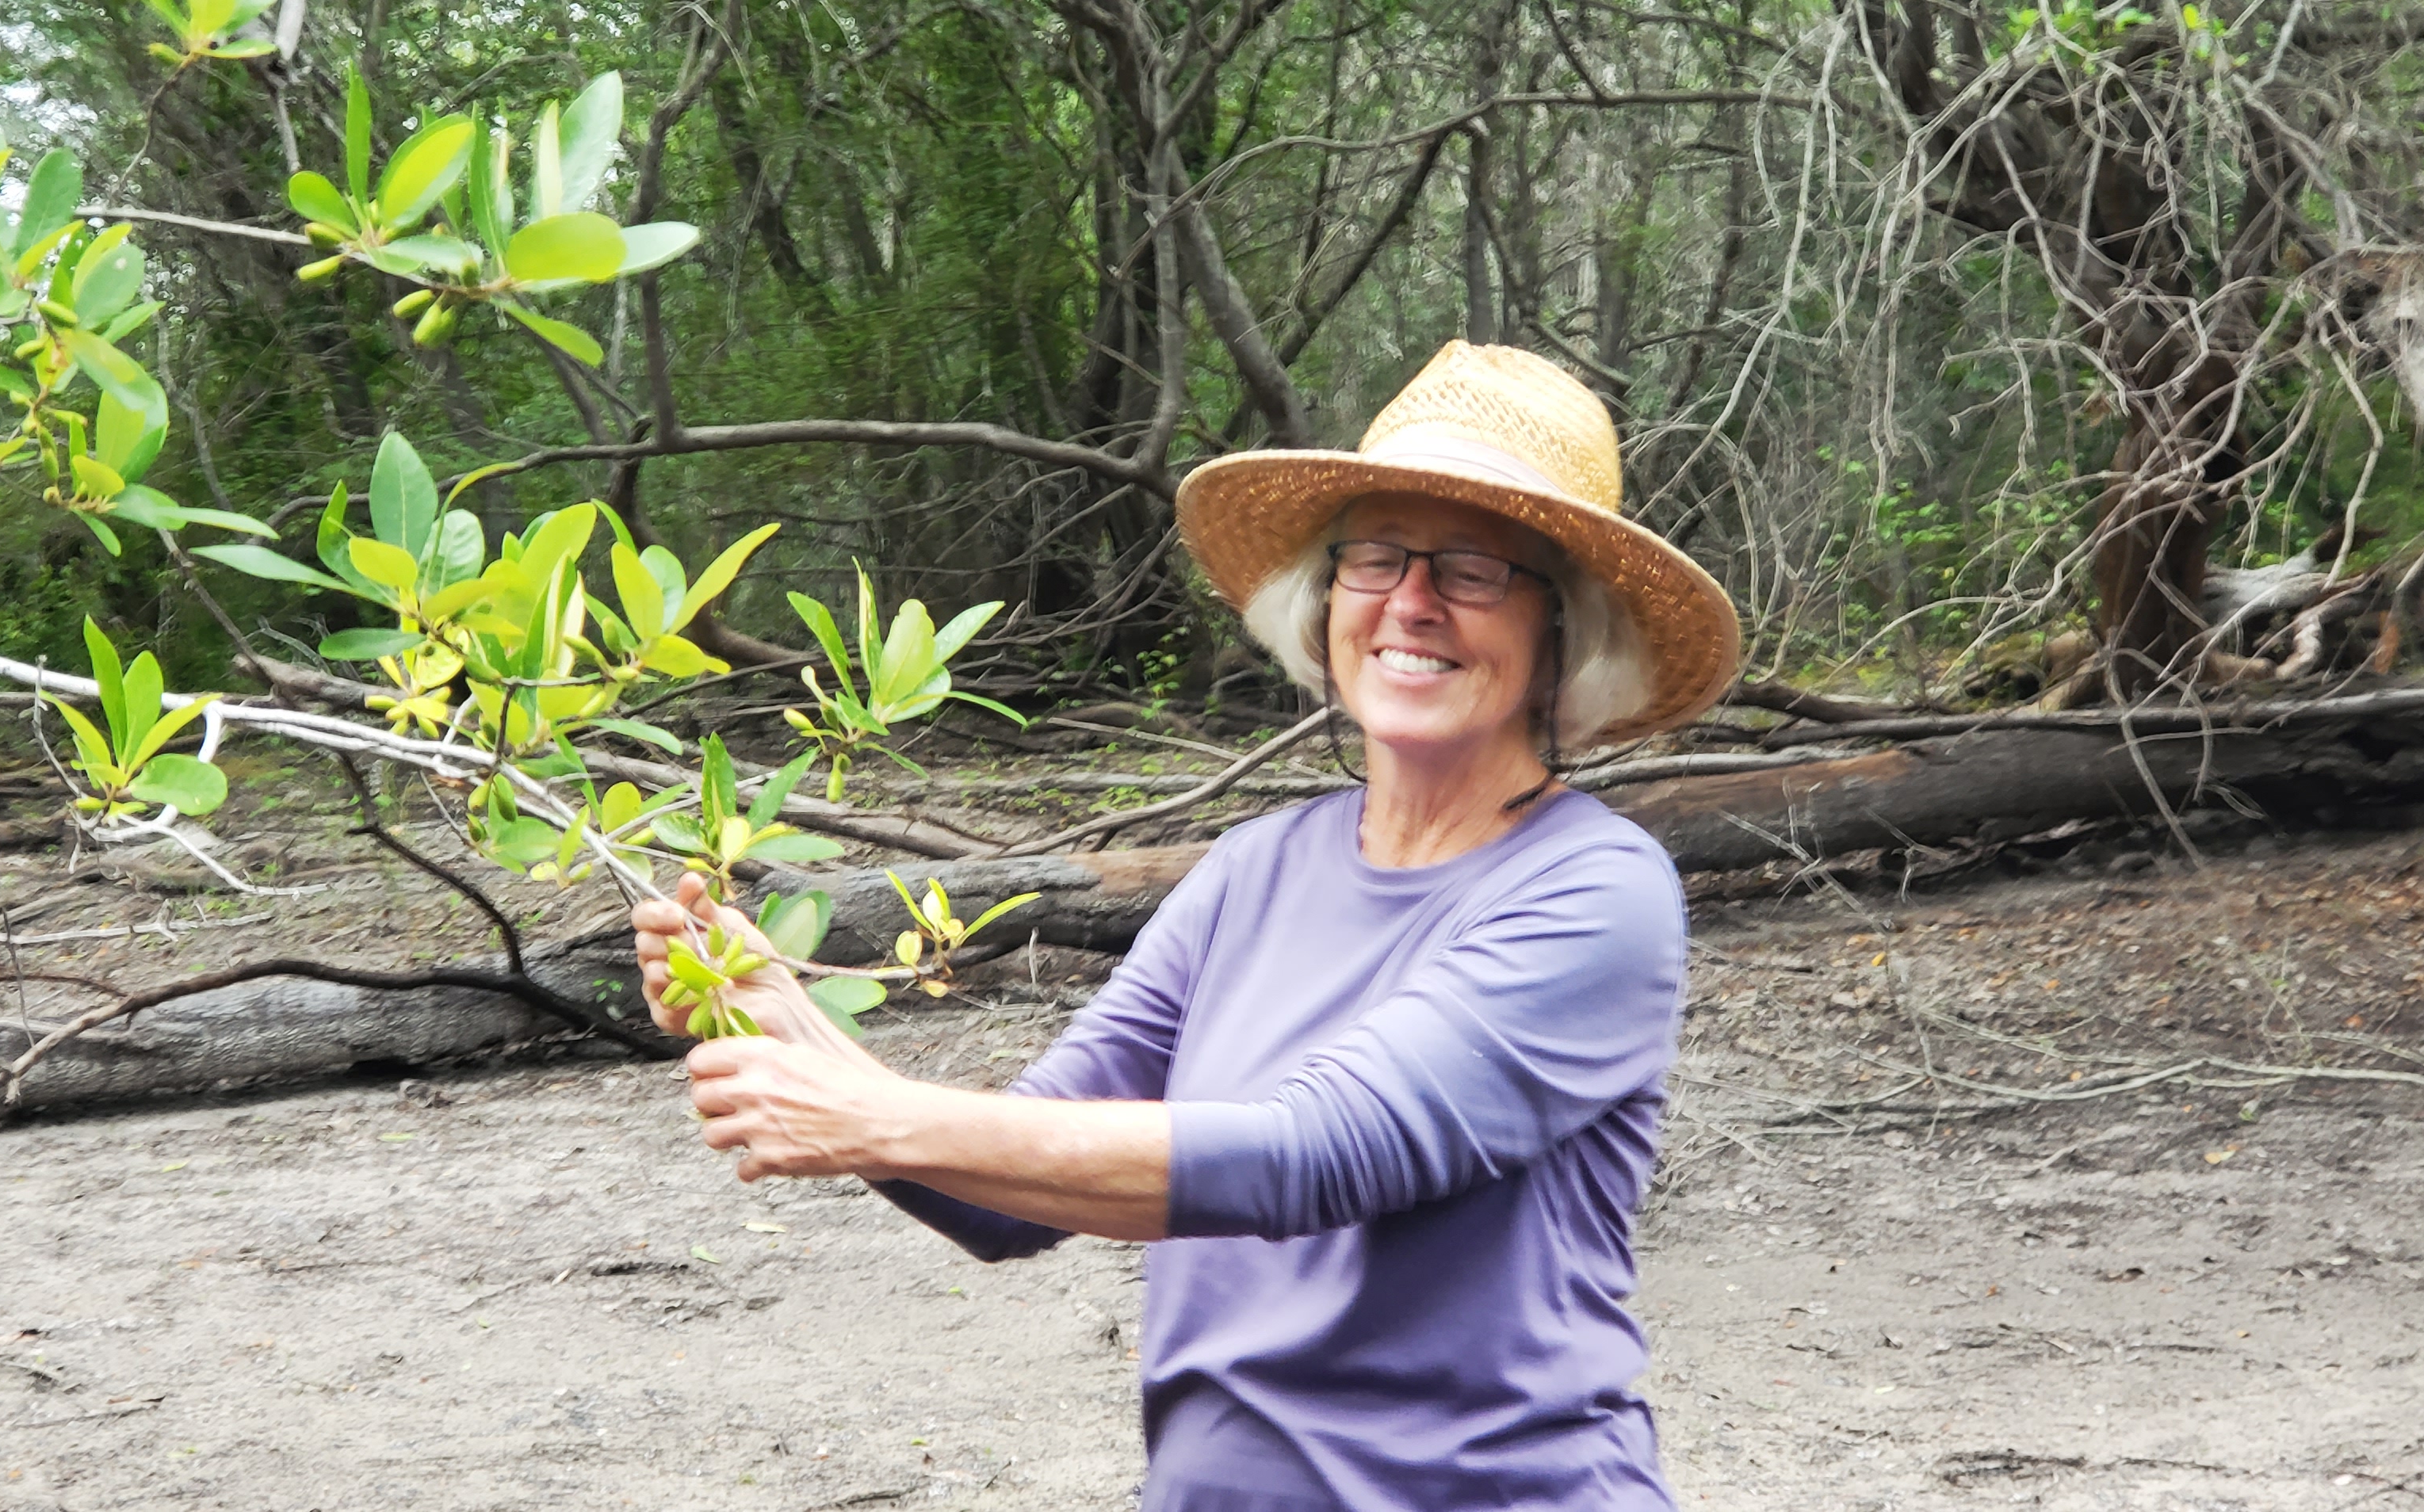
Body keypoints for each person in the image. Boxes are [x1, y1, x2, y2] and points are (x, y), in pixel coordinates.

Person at [632, 341, 1741, 1511]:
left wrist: (869, 1112)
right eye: (1375, 558)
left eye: (1474, 569)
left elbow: (1315, 1154)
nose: (1411, 602)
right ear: (1326, 599)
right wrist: (781, 1015)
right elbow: (1002, 1189)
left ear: (1562, 629)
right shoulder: (1253, 869)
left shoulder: (1594, 891)